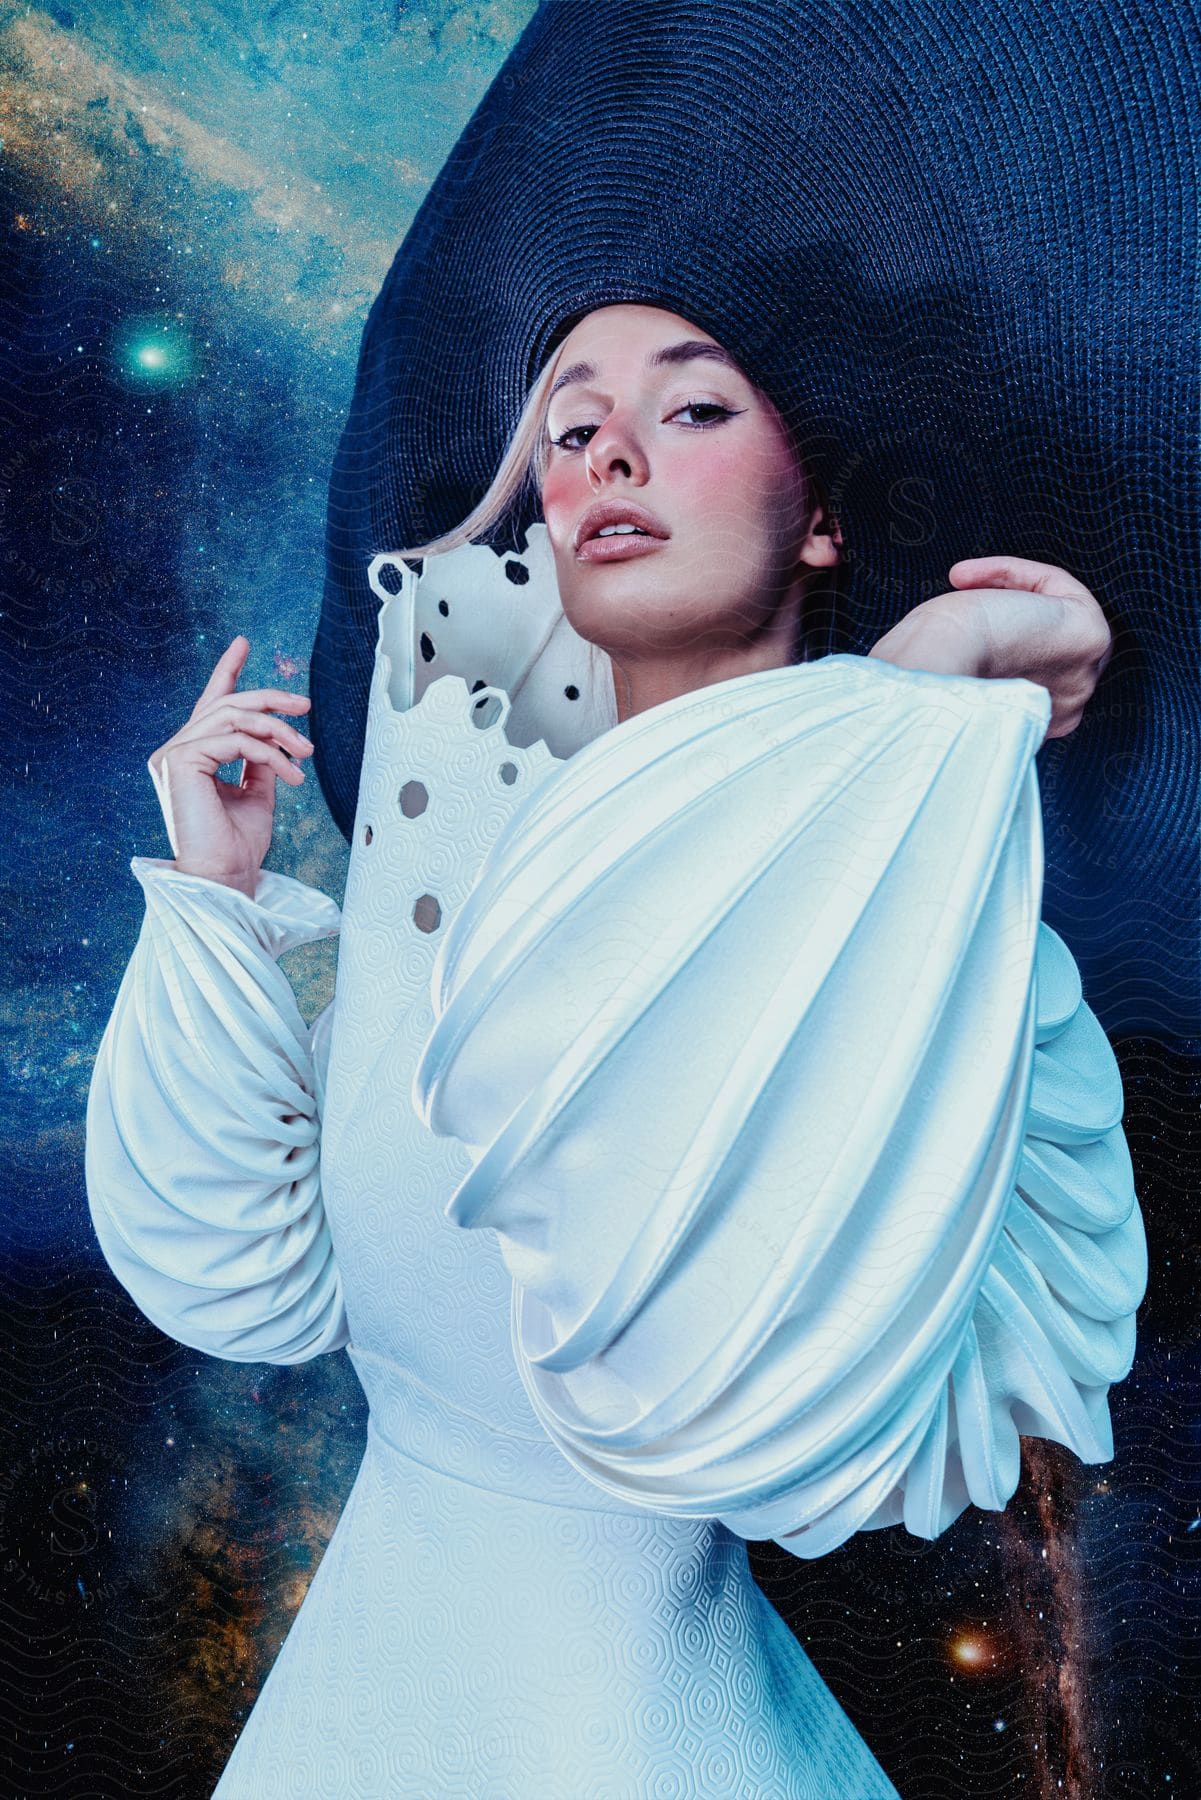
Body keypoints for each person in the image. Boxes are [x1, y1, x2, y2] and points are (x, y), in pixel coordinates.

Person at [84, 298, 1145, 1797]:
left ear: (826, 519)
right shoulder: (458, 758)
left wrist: (920, 680)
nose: (604, 459)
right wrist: (213, 897)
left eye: (693, 410)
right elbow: (247, 1284)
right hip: (359, 1697)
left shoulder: (925, 931)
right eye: (569, 430)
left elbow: (749, 1413)